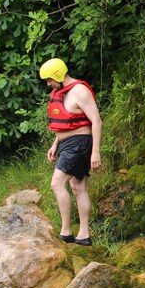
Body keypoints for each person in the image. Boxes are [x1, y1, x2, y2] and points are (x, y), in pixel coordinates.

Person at [40, 58, 102, 246]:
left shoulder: (79, 91)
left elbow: (96, 121)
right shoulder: (59, 92)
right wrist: (55, 144)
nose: (48, 84)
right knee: (77, 186)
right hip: (68, 144)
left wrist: (96, 152)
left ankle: (66, 232)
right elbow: (66, 123)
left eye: (50, 79)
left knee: (57, 183)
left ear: (58, 75)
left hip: (80, 143)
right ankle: (84, 235)